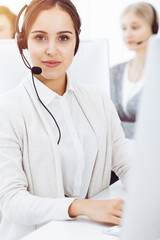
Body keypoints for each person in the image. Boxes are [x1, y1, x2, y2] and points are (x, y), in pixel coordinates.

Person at [0, 1, 131, 239]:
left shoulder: (98, 100)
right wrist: (80, 206)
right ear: (23, 43)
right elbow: (11, 201)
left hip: (90, 232)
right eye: (40, 38)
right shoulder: (7, 109)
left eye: (63, 38)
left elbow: (126, 163)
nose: (52, 49)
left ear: (76, 43)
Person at [110, 2, 159, 139]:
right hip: (119, 154)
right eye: (124, 28)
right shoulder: (114, 72)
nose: (128, 34)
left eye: (135, 27)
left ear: (154, 28)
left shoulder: (157, 73)